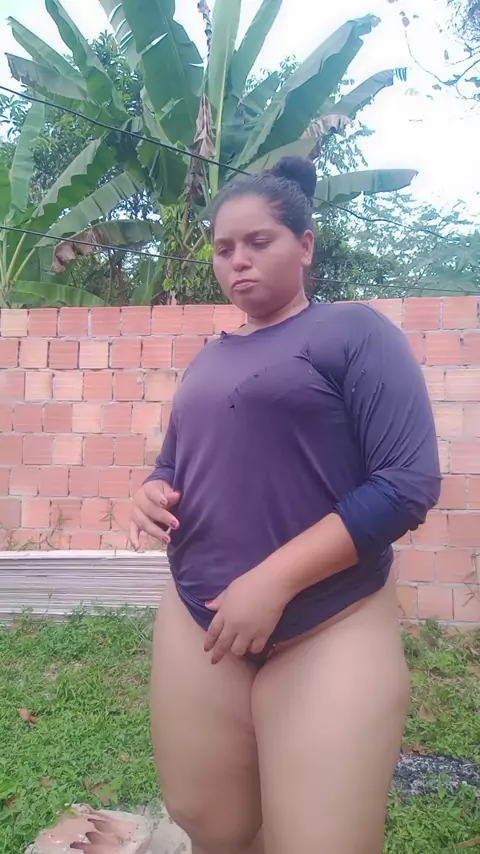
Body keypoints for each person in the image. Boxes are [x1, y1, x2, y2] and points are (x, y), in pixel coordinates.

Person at [129, 156, 441, 854]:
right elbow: (176, 460)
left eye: (258, 241)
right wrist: (151, 489)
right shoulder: (210, 358)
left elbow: (406, 483)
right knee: (210, 820)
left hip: (328, 618)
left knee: (321, 841)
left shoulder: (355, 333)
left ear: (304, 244)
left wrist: (271, 581)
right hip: (200, 614)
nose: (237, 260)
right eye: (223, 248)